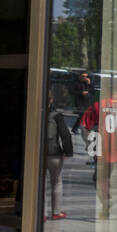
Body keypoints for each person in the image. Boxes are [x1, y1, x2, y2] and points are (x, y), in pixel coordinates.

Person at [78, 80, 117, 217]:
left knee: (101, 179)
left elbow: (84, 127)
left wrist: (91, 146)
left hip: (104, 149)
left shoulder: (98, 105)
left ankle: (107, 202)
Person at [43, 89, 73, 221]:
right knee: (56, 182)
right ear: (51, 100)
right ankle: (56, 212)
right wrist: (67, 151)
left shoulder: (34, 113)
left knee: (41, 184)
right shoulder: (56, 116)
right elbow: (65, 135)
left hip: (39, 155)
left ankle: (41, 213)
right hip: (54, 154)